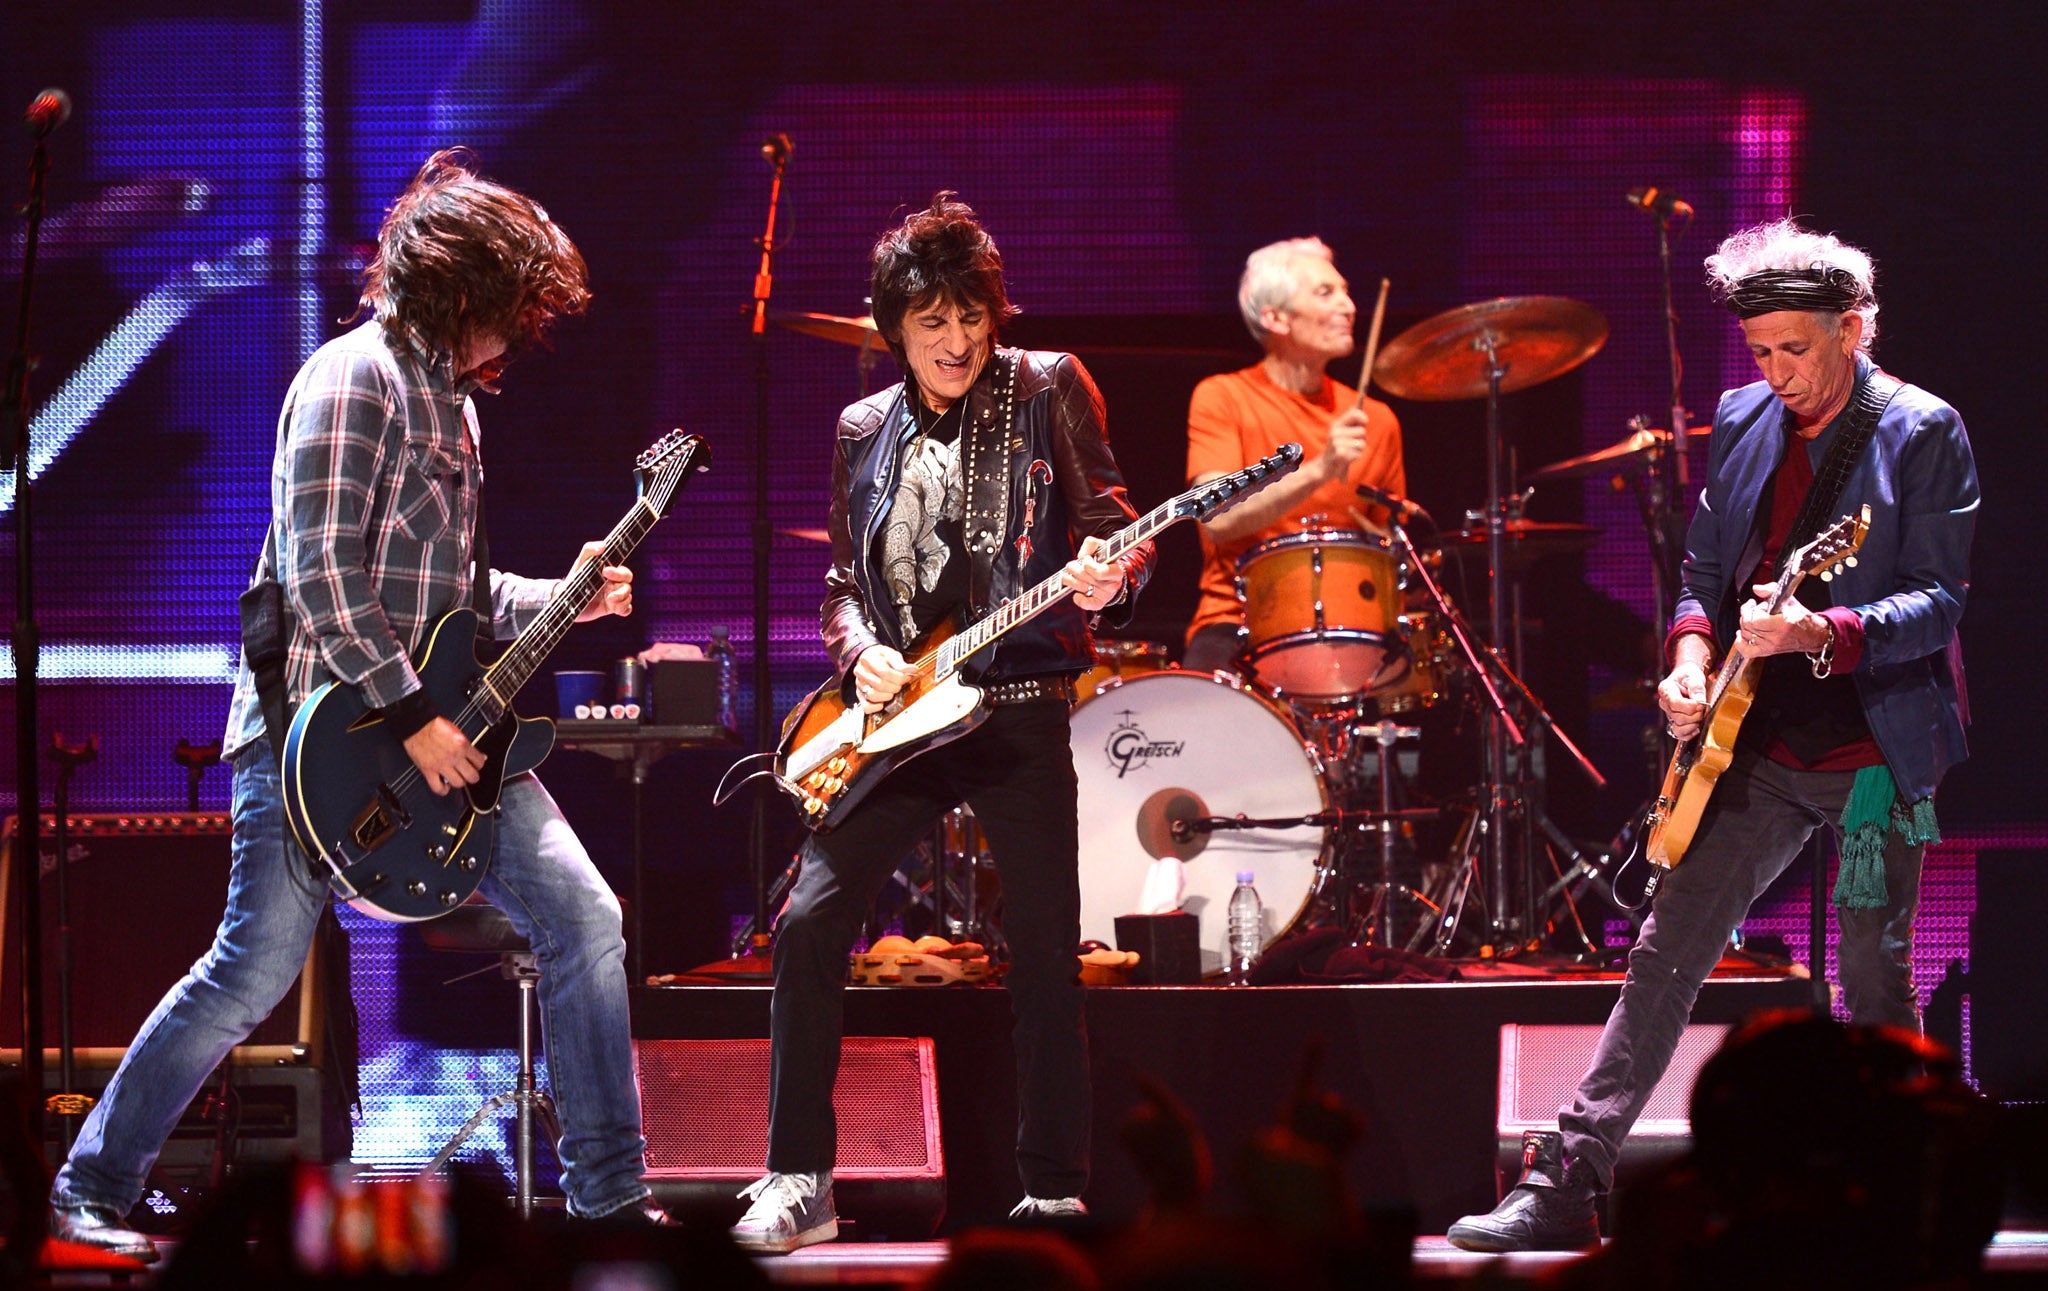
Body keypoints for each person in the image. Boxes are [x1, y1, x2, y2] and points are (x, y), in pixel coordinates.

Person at [50, 151, 668, 1261]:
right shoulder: (352, 378)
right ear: (457, 288)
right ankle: (88, 1187)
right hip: (314, 736)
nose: (516, 339)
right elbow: (323, 575)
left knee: (585, 917)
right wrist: (413, 719)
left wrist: (566, 594)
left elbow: (457, 600)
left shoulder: (458, 411)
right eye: (510, 310)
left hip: (429, 731)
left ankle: (609, 1199)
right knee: (248, 972)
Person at [1447, 219, 1978, 1251]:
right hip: (1754, 744)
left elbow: (1936, 604)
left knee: (1870, 969)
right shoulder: (1739, 417)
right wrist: (1688, 657)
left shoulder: (1918, 430)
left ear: (1854, 329)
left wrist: (1821, 631)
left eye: (1797, 349)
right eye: (1762, 352)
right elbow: (1702, 576)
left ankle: (1902, 1180)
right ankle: (1563, 1180)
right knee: (1662, 956)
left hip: (1872, 754)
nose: (1777, 373)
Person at [730, 192, 1154, 1254]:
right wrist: (858, 650)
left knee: (1045, 952)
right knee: (810, 920)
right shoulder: (858, 429)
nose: (957, 341)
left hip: (1014, 707)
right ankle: (799, 1179)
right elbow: (838, 584)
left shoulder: (1047, 386)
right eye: (931, 323)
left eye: (971, 317)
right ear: (895, 329)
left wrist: (1111, 582)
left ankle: (1052, 1190)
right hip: (903, 722)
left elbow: (1115, 527)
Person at [1181, 237, 1406, 675]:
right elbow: (1217, 520)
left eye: (1345, 291)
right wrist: (1321, 470)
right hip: (1237, 621)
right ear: (1275, 317)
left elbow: (1391, 548)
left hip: (1351, 625)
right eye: (1326, 293)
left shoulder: (1376, 420)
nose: (1348, 306)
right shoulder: (1223, 396)